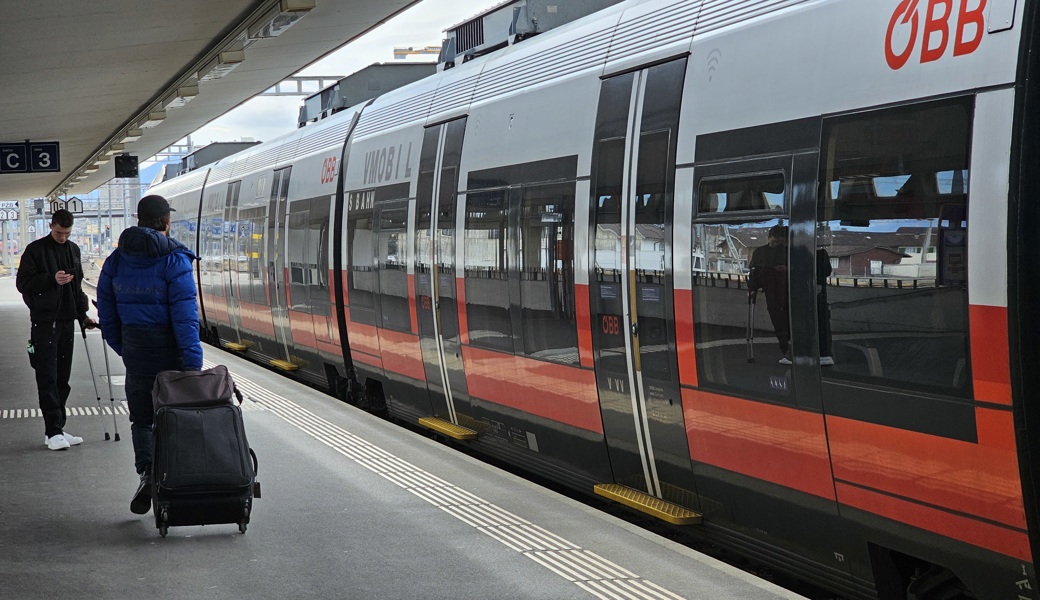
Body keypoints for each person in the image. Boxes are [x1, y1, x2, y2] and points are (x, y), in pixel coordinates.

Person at [96, 195, 203, 515]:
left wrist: (124, 347)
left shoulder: (116, 260)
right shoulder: (175, 260)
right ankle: (177, 478)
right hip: (170, 352)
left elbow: (107, 314)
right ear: (166, 222)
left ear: (139, 220)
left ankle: (148, 473)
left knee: (142, 419)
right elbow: (185, 318)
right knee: (176, 415)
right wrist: (193, 365)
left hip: (136, 350)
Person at [16, 209, 98, 450]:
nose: (63, 237)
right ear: (51, 226)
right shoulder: (35, 250)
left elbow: (77, 287)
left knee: (63, 378)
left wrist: (83, 316)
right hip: (44, 323)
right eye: (59, 232)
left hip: (66, 322)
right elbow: (23, 284)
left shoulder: (73, 250)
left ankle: (58, 428)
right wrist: (52, 279)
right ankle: (52, 431)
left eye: (67, 234)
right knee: (47, 377)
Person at [748, 224, 791, 365]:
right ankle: (785, 349)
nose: (776, 245)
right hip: (771, 290)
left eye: (780, 242)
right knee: (777, 320)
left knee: (789, 320)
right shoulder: (760, 252)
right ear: (768, 239)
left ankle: (788, 350)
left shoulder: (789, 251)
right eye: (773, 242)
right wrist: (753, 289)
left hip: (789, 290)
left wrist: (787, 269)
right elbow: (754, 272)